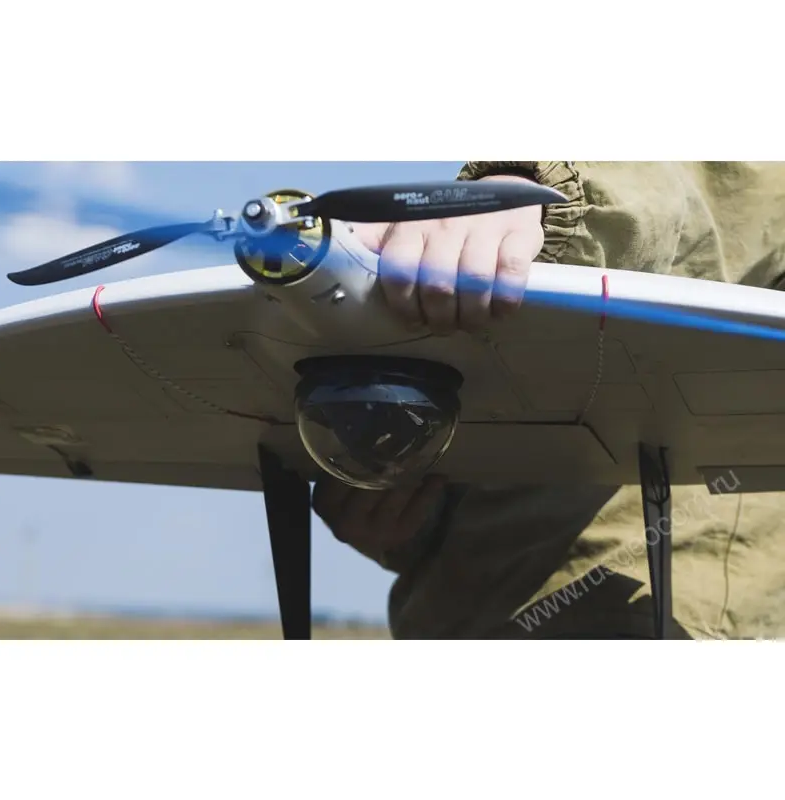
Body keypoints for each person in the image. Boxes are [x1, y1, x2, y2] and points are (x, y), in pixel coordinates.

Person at [312, 161, 785, 640]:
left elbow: (725, 194)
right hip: (458, 622)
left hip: (649, 614)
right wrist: (405, 517)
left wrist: (534, 198)